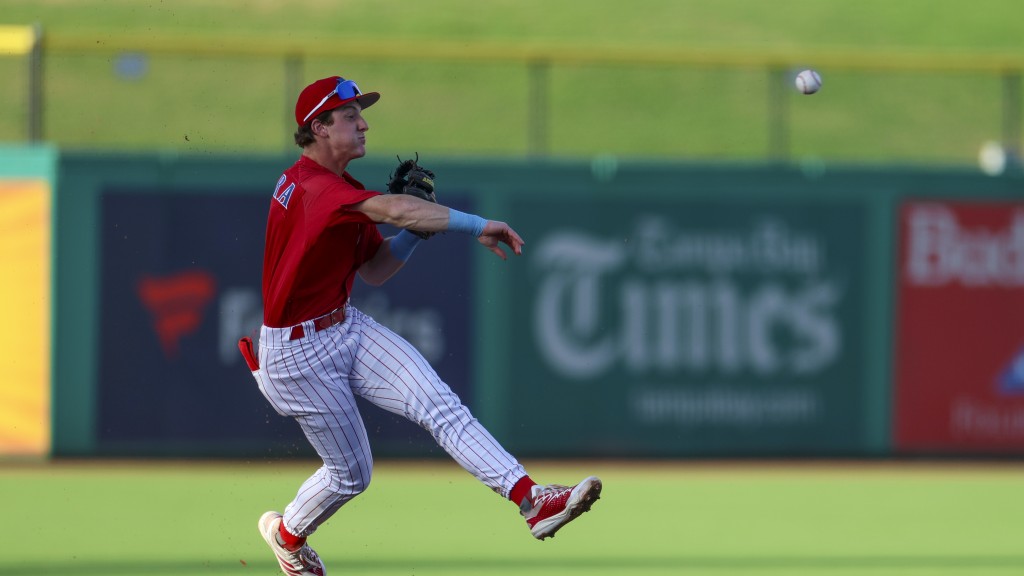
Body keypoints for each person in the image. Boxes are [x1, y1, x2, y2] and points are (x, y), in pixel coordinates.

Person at [238, 75, 602, 576]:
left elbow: (375, 269)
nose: (363, 123)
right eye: (349, 116)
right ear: (319, 127)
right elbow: (396, 208)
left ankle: (532, 500)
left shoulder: (339, 190)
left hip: (342, 326)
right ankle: (287, 536)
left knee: (440, 405)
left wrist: (413, 232)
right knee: (352, 475)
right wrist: (473, 224)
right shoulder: (310, 187)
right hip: (296, 357)